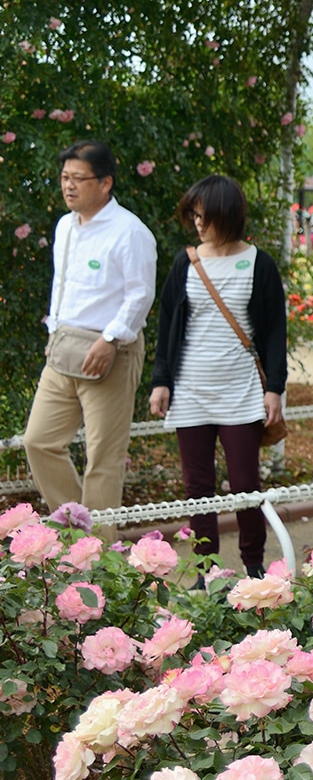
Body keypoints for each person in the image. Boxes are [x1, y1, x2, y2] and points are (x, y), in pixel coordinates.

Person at [148, 175, 287, 576]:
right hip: (190, 388)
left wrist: (274, 388)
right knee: (198, 490)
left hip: (240, 390)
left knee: (245, 485)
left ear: (228, 216)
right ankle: (206, 572)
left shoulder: (258, 262)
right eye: (194, 215)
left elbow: (275, 330)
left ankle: (254, 569)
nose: (198, 223)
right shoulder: (186, 262)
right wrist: (162, 381)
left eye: (205, 216)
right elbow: (168, 324)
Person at [22, 141, 156, 521]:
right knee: (39, 441)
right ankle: (75, 530)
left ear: (105, 183)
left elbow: (140, 294)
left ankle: (98, 561)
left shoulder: (130, 232)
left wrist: (111, 338)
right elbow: (61, 287)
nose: (69, 185)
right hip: (64, 348)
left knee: (103, 457)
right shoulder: (65, 226)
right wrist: (55, 331)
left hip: (110, 350)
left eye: (78, 178)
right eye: (65, 177)